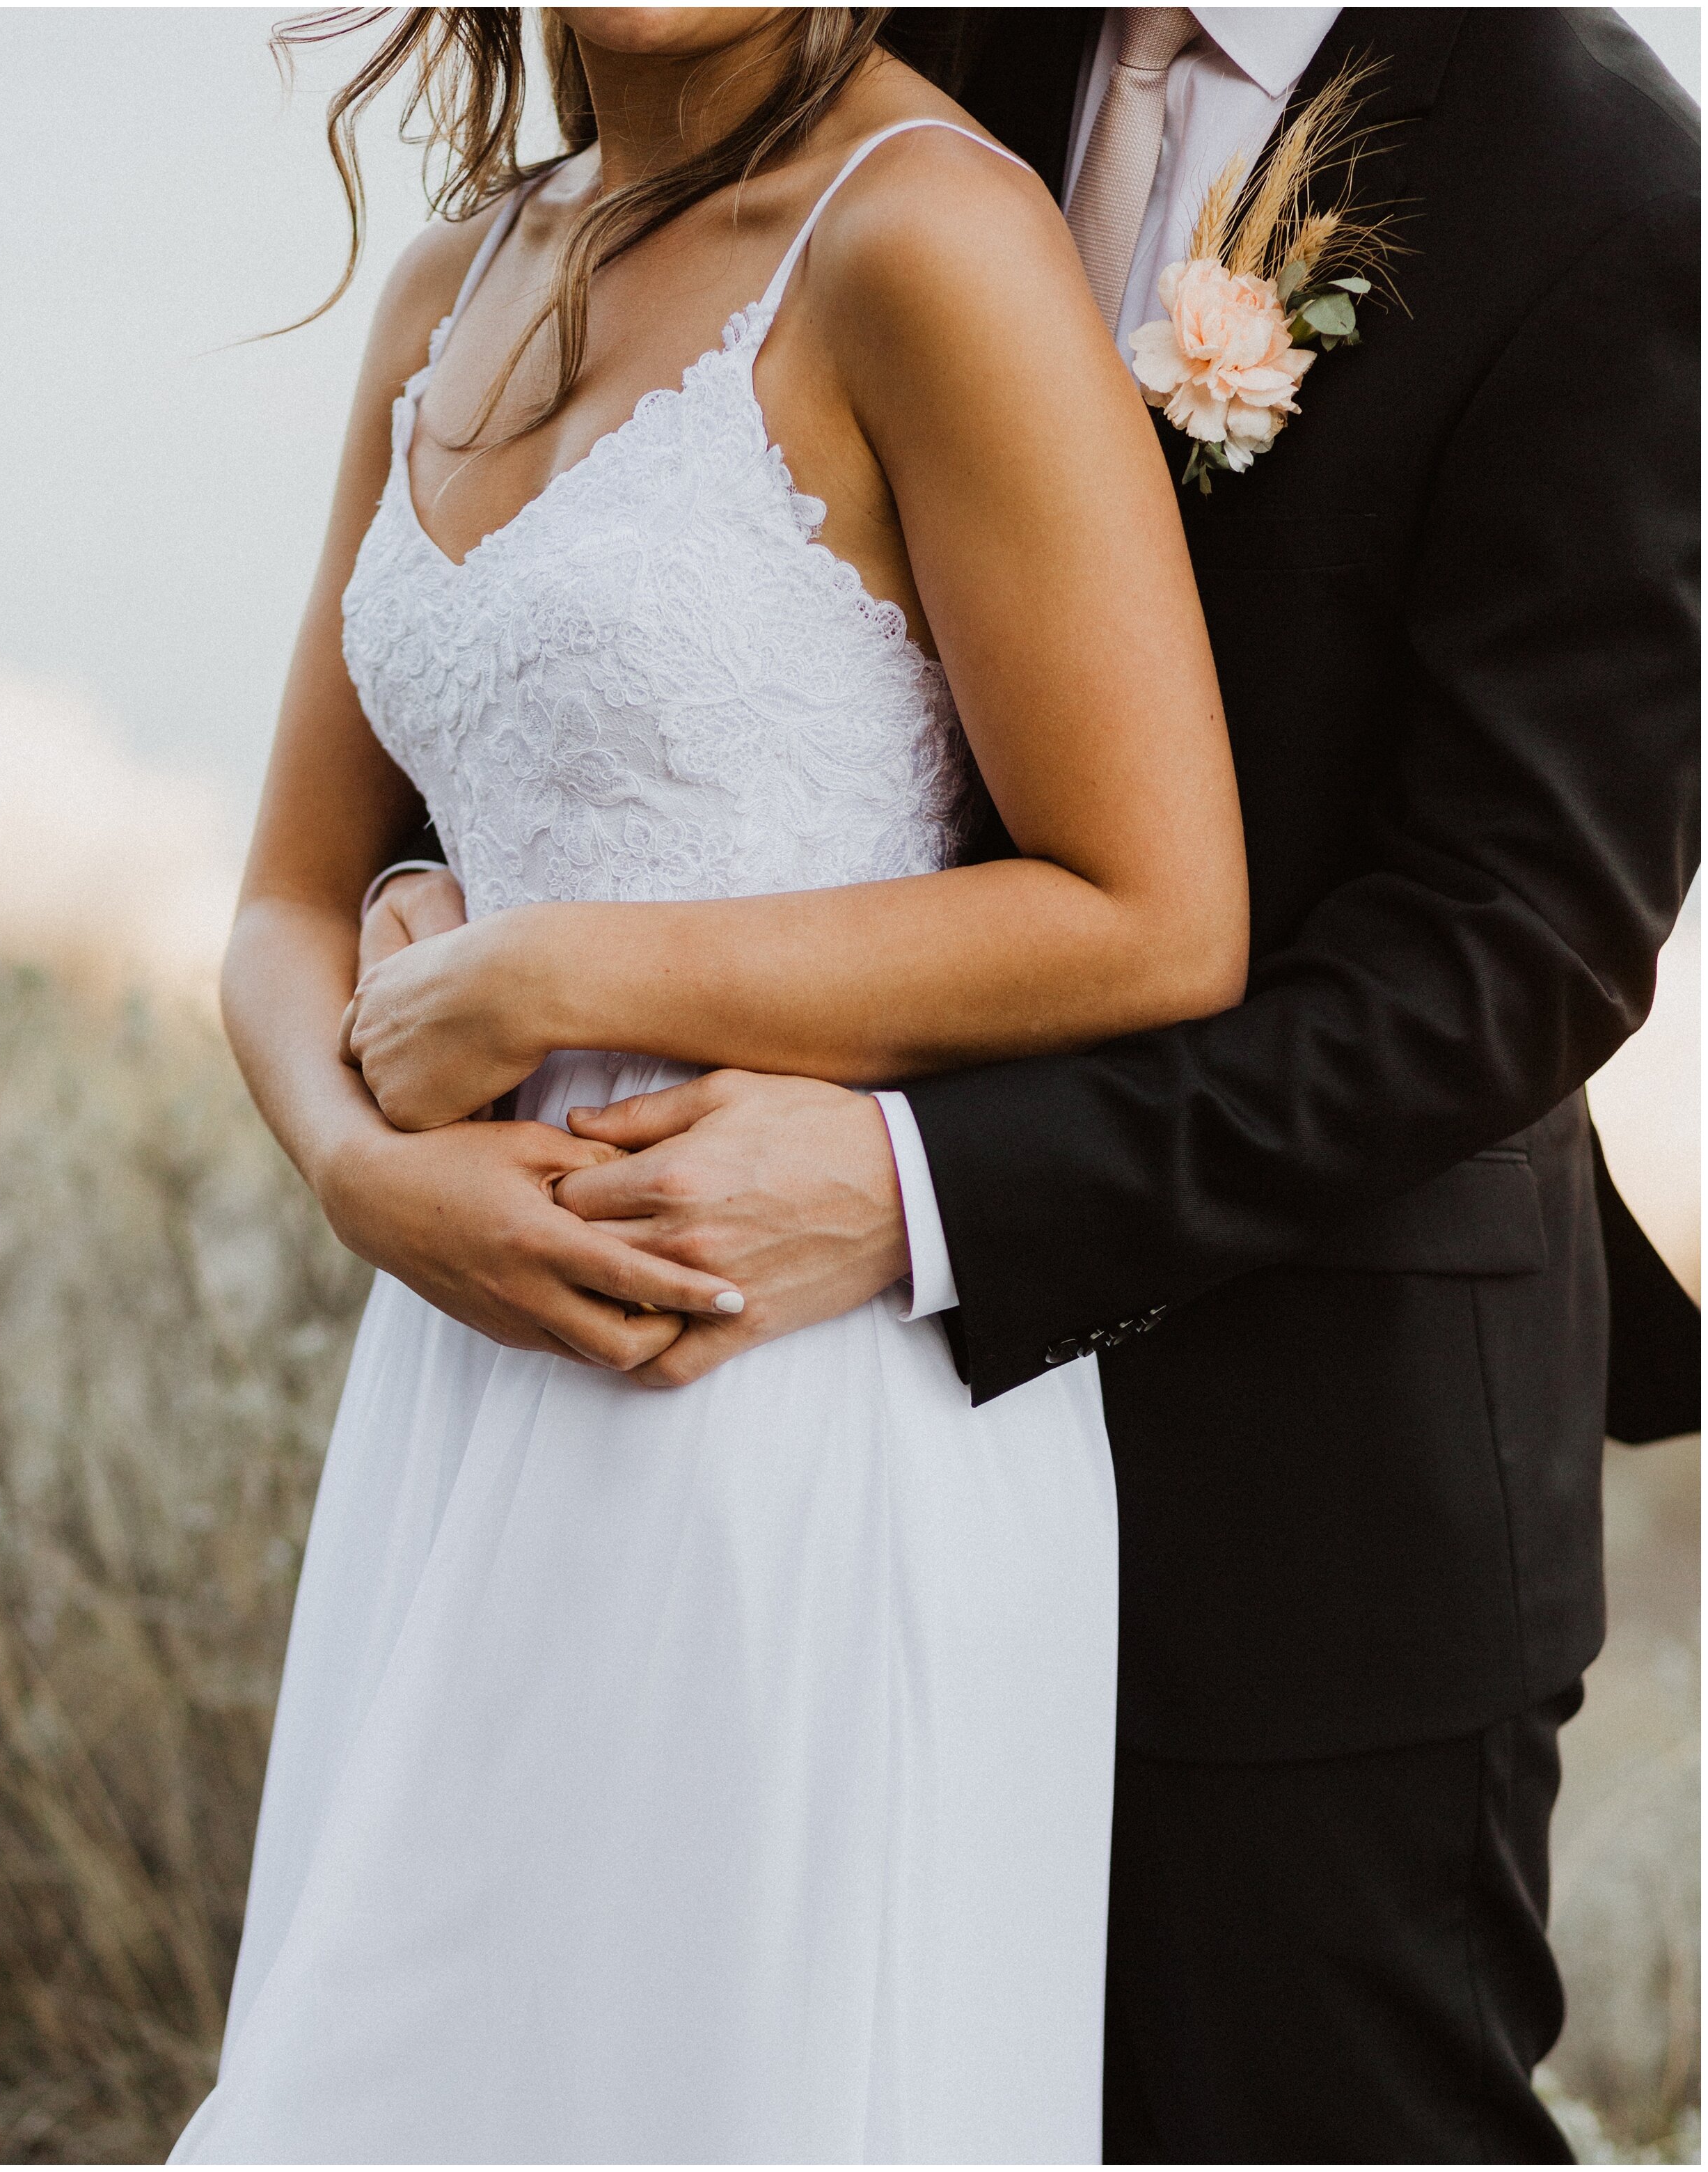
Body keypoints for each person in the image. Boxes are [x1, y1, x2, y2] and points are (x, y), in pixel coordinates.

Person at [364, 6, 1701, 2163]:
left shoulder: (1592, 173)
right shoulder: (887, 40)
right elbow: (650, 600)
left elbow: (1502, 956)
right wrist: (444, 897)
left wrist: (916, 1187)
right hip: (781, 1477)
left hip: (1290, 1485)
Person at [172, 8, 1251, 2163]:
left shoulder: (926, 236)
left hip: (779, 1388)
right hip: (457, 1389)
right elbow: (289, 900)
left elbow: (1153, 908)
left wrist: (568, 972)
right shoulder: (446, 285)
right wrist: (357, 1171)